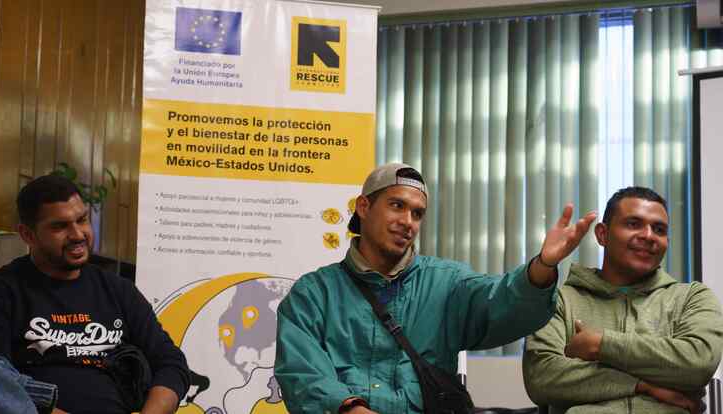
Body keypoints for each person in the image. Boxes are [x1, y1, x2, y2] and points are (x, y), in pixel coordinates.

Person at [274, 162, 597, 414]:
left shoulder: (448, 282)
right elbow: (301, 374)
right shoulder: (314, 294)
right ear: (363, 207)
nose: (408, 221)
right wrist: (350, 407)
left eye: (417, 213)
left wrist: (542, 266)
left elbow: (502, 304)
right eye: (396, 205)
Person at [0, 174, 190, 414]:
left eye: (82, 220)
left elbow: (171, 364)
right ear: (28, 235)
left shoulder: (118, 290)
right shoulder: (1, 292)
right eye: (60, 226)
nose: (78, 234)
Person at [523, 186, 723, 414]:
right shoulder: (560, 300)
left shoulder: (691, 298)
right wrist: (643, 385)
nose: (648, 235)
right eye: (633, 224)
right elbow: (541, 377)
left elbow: (698, 362)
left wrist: (600, 344)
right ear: (602, 234)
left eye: (658, 229)